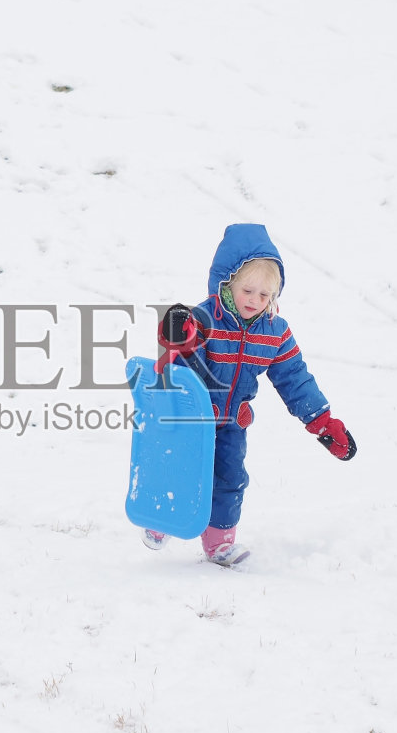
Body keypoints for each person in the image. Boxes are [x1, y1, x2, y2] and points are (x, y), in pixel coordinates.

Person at [149, 223, 356, 565]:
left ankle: (219, 544)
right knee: (182, 468)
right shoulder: (203, 318)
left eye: (265, 295)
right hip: (192, 416)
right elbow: (175, 356)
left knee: (231, 478)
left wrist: (322, 421)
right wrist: (175, 332)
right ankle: (161, 518)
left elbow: (294, 377)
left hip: (232, 423)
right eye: (248, 291)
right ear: (227, 283)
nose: (255, 301)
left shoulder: (274, 332)